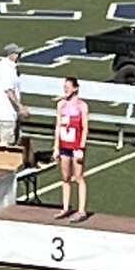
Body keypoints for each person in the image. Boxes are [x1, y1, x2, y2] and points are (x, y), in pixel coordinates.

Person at [52, 77, 90, 222]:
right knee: (65, 177)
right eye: (64, 87)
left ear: (75, 88)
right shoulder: (61, 105)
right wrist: (56, 147)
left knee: (79, 177)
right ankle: (66, 207)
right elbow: (57, 127)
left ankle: (81, 210)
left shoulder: (82, 106)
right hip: (64, 146)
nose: (66, 89)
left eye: (68, 87)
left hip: (76, 147)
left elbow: (85, 128)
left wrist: (81, 147)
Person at [0, 42, 29, 146]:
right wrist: (21, 107)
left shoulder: (5, 66)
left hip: (7, 113)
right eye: (17, 53)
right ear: (11, 54)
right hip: (7, 113)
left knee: (10, 141)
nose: (19, 56)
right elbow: (9, 91)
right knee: (7, 144)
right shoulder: (7, 69)